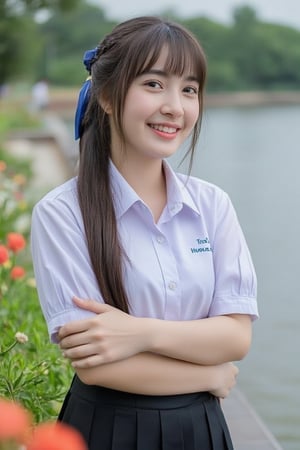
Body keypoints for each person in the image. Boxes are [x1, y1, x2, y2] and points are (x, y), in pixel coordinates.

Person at [31, 16, 258, 450]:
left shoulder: (212, 205)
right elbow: (97, 366)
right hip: (106, 428)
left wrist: (139, 333)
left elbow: (235, 336)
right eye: (154, 84)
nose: (176, 106)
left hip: (202, 430)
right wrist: (208, 373)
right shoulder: (62, 213)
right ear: (106, 97)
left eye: (189, 89)